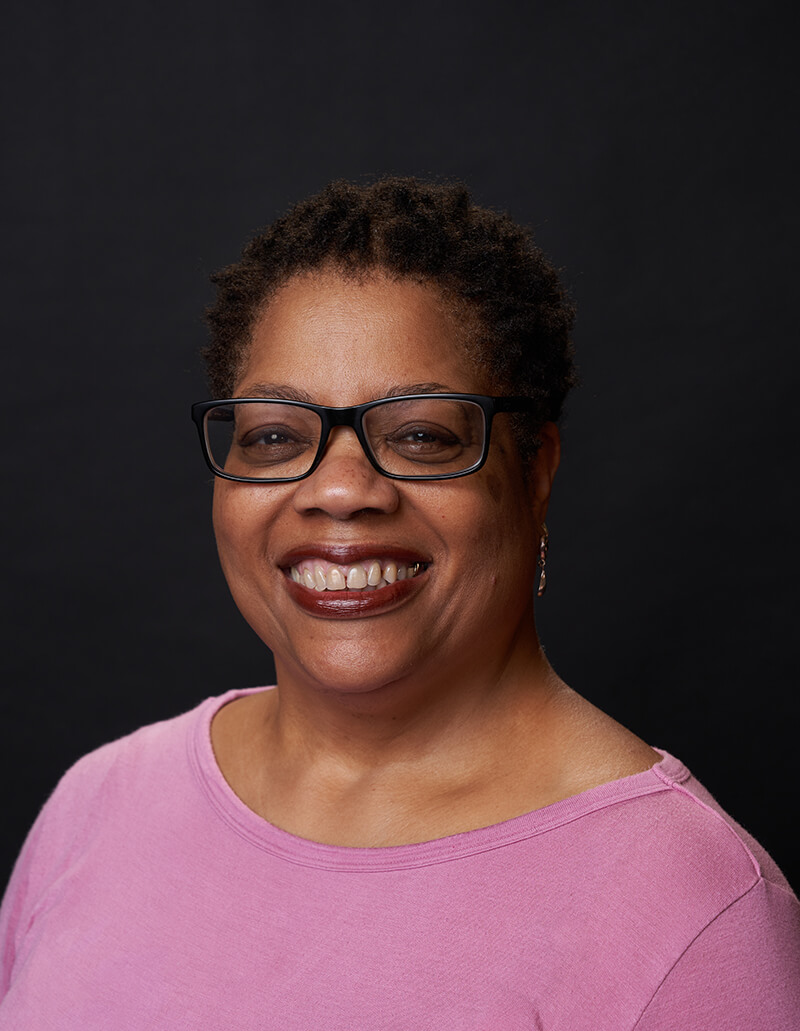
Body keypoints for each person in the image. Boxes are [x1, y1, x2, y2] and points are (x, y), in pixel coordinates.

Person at [0, 177, 797, 1028]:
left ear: (536, 471)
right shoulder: (103, 801)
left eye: (419, 434)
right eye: (275, 435)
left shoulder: (691, 907)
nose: (340, 490)